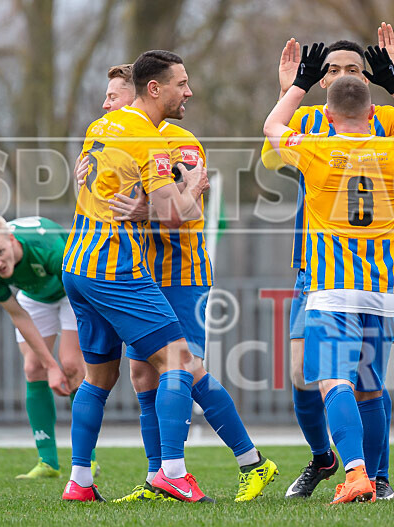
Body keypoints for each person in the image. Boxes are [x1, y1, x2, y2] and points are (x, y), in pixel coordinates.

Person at [77, 63, 278, 503]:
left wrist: (151, 208)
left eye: (114, 96)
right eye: (108, 98)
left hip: (181, 269)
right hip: (140, 268)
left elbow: (180, 212)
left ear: (139, 93)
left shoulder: (179, 143)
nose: (107, 104)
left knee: (183, 366)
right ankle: (158, 478)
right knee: (144, 375)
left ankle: (250, 462)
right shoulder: (118, 135)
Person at [261, 22, 394, 501]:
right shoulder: (316, 118)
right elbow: (274, 160)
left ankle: (375, 474)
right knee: (302, 376)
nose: (338, 75)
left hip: (347, 270)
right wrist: (290, 91)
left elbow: (275, 138)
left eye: (352, 69)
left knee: (359, 380)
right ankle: (324, 458)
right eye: (330, 69)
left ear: (370, 80)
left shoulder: (387, 120)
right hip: (315, 268)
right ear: (320, 78)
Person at [61, 50, 213, 503]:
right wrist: (195, 187)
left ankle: (80, 482)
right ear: (154, 89)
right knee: (179, 361)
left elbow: (89, 183)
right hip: (115, 270)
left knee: (98, 379)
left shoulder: (100, 127)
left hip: (77, 263)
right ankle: (171, 472)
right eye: (181, 83)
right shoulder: (149, 140)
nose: (188, 91)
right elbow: (172, 215)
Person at [0, 215, 100, 479]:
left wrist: (60, 364)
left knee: (73, 365)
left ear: (11, 239)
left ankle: (88, 459)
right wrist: (50, 366)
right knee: (33, 367)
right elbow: (18, 315)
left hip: (72, 290)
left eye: (0, 253)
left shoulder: (48, 248)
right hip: (35, 296)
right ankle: (48, 461)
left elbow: (84, 290)